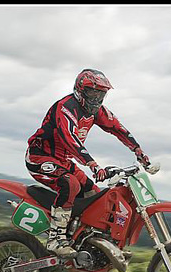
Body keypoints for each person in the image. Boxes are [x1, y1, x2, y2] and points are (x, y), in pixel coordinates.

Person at [25, 68, 151, 257]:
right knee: (70, 184)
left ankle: (84, 240)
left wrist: (138, 150)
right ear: (80, 90)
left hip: (64, 161)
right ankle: (55, 239)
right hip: (40, 157)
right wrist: (92, 164)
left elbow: (118, 128)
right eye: (93, 92)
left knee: (95, 194)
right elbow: (70, 138)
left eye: (101, 94)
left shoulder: (96, 111)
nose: (96, 98)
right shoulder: (66, 107)